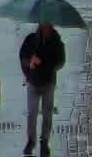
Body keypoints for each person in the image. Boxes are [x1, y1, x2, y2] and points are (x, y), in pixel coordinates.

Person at [21, 20, 67, 155]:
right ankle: (31, 140)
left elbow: (60, 61)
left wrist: (43, 62)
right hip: (33, 81)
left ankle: (44, 141)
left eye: (48, 26)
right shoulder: (31, 40)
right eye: (44, 26)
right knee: (32, 113)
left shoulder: (56, 42)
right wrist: (30, 61)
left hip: (48, 82)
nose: (46, 28)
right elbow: (23, 56)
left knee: (47, 113)